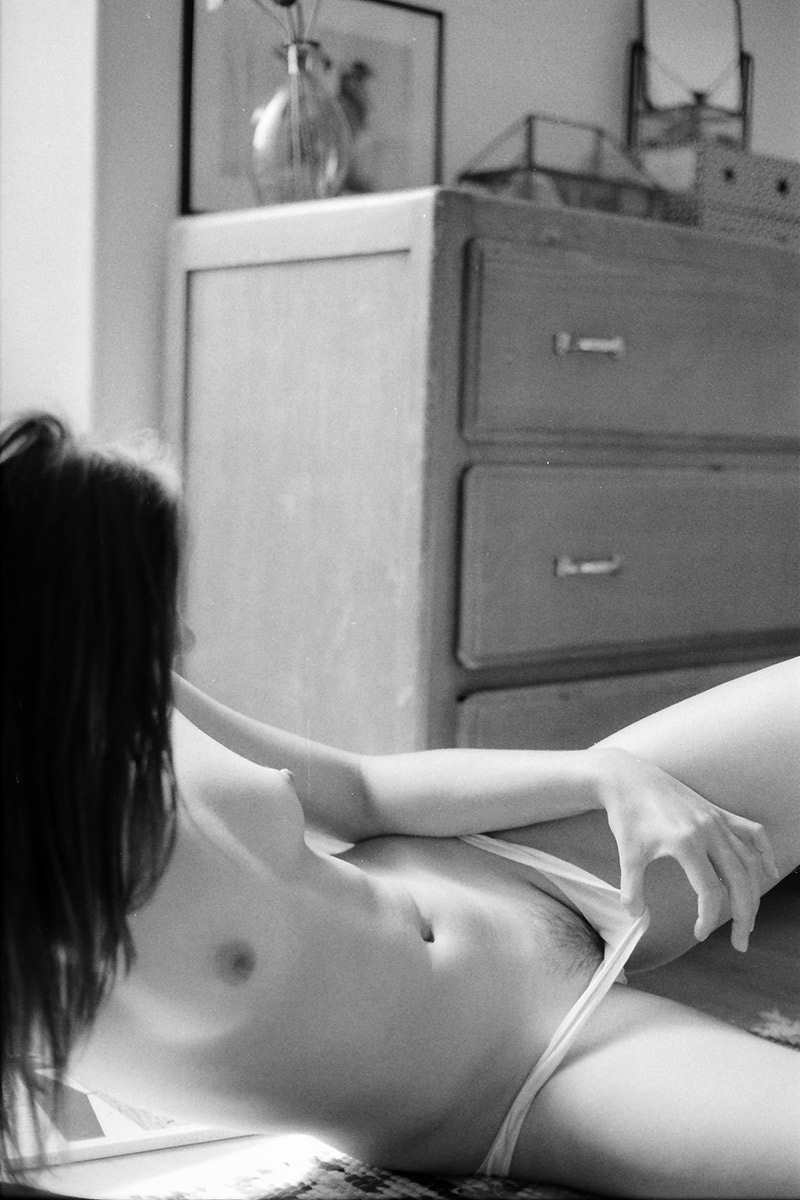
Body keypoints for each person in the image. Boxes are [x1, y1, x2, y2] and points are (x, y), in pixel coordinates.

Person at [2, 412, 798, 1198]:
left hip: (517, 861)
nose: (181, 638)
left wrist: (604, 777)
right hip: (526, 1076)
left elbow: (361, 791)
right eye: (144, 612)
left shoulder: (133, 689)